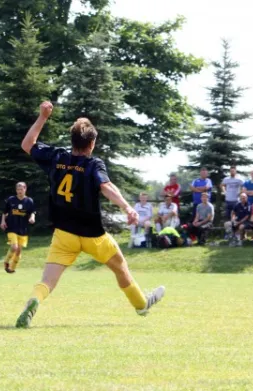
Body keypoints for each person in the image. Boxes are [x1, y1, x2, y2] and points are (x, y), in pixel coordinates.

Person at [15, 101, 165, 328]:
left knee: (47, 281)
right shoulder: (94, 164)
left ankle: (33, 301)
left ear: (72, 140)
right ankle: (142, 304)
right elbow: (106, 187)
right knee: (121, 269)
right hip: (93, 235)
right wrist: (128, 208)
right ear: (92, 143)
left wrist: (43, 117)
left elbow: (28, 144)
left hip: (63, 233)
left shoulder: (57, 157)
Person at [1, 182, 35, 273]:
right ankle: (6, 262)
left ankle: (12, 268)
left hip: (23, 229)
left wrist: (32, 217)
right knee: (14, 247)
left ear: (25, 189)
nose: (20, 191)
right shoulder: (11, 200)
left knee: (19, 251)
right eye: (18, 189)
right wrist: (3, 221)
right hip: (12, 227)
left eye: (21, 189)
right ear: (16, 190)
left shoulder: (29, 201)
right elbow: (4, 212)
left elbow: (33, 212)